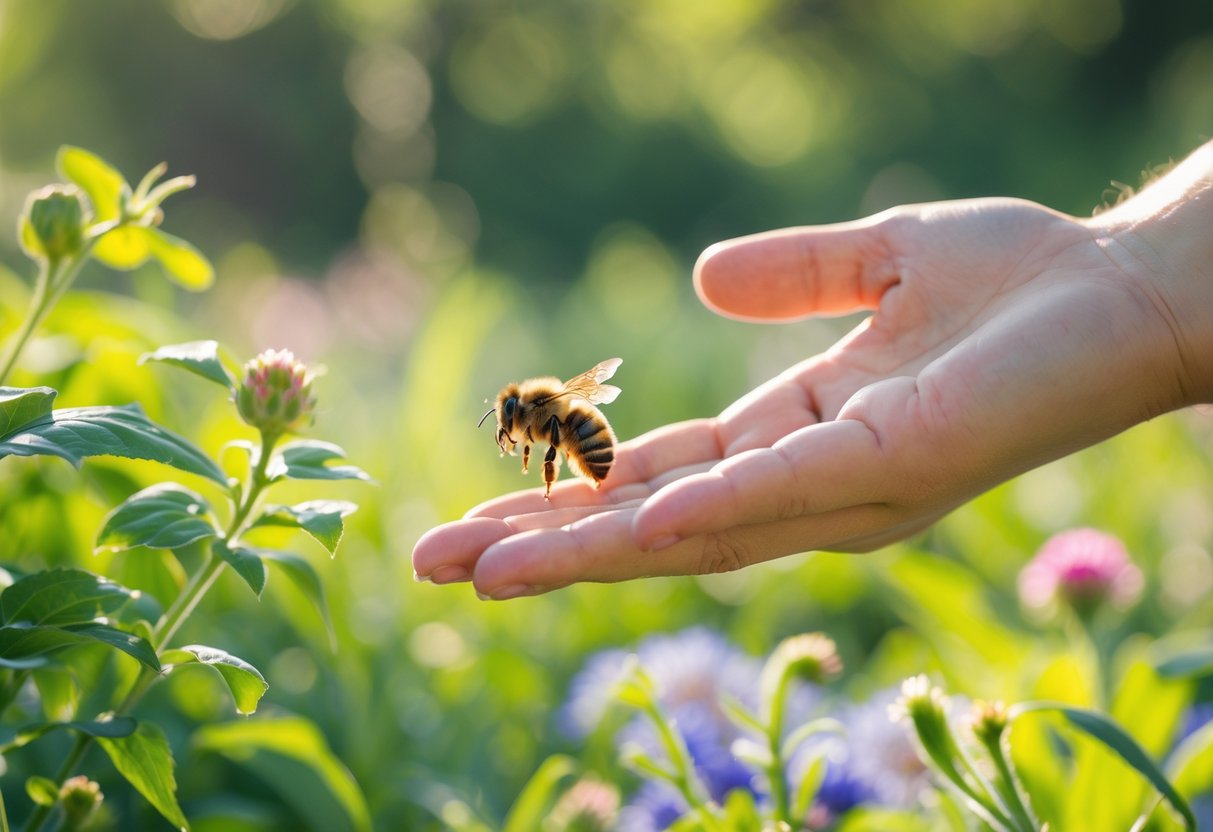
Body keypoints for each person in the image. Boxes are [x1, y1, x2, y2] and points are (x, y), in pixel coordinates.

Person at [412, 138, 1213, 601]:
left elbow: (559, 428)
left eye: (516, 424)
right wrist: (1136, 272)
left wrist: (1142, 283)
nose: (516, 431)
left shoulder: (551, 417)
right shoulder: (554, 406)